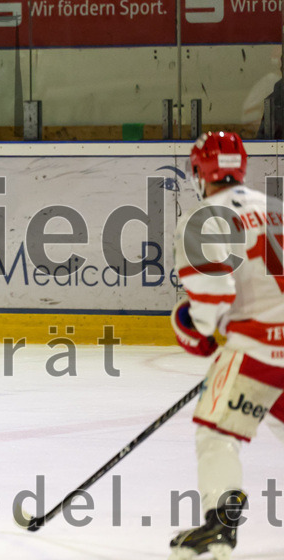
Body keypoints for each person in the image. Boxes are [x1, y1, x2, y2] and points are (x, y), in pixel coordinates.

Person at [169, 131, 284, 559]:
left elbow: (212, 300)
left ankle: (220, 523)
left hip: (253, 352)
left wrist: (194, 329)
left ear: (200, 171)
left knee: (216, 432)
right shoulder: (276, 210)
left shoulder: (206, 217)